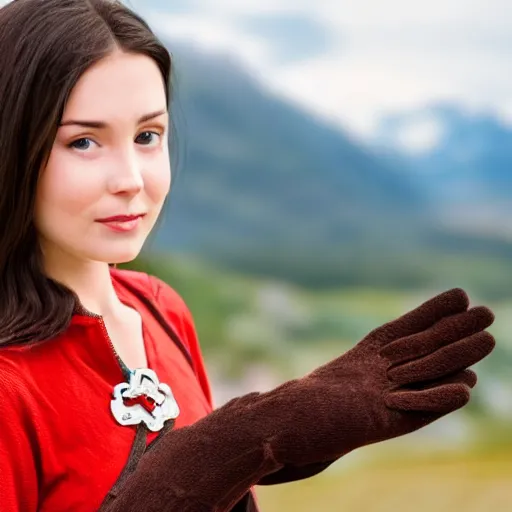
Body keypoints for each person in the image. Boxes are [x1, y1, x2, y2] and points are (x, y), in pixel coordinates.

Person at [0, 1, 496, 511]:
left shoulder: (160, 308)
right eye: (83, 142)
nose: (130, 179)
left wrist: (282, 440)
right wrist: (234, 443)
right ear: (12, 146)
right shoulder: (8, 382)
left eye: (148, 136)